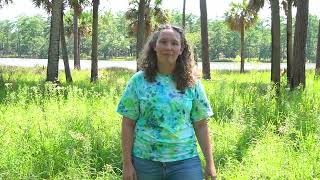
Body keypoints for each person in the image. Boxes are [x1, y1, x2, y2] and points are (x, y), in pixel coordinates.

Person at [117, 24, 216, 180]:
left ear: (181, 49)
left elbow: (201, 125)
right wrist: (127, 164)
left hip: (185, 163)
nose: (168, 47)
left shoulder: (192, 83)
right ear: (154, 46)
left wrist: (210, 163)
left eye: (174, 43)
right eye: (163, 42)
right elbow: (128, 124)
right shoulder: (138, 81)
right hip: (145, 162)